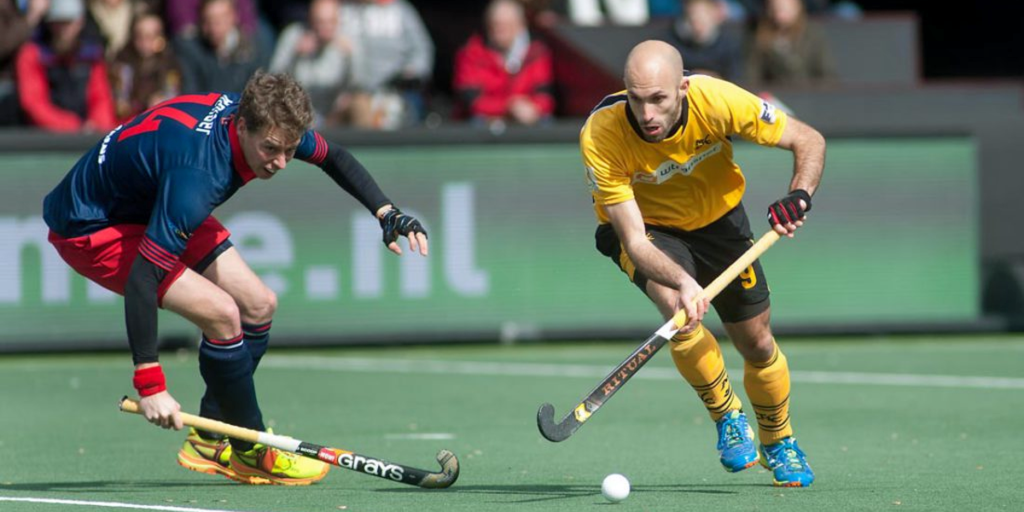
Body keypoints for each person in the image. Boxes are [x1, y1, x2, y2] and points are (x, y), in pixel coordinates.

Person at [42, 72, 429, 485]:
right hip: (93, 226)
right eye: (271, 150)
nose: (281, 162)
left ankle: (209, 437)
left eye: (290, 150)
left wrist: (387, 213)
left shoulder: (261, 116)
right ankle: (251, 451)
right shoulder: (198, 175)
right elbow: (142, 279)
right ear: (242, 127)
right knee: (223, 314)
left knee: (259, 305)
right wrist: (150, 381)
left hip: (151, 198)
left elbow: (334, 157)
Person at [579, 40, 824, 487]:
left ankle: (778, 439)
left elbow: (807, 139)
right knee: (678, 308)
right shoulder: (602, 134)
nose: (647, 113)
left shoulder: (717, 99)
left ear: (684, 88)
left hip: (719, 222)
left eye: (659, 99)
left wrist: (799, 195)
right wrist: (684, 282)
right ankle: (727, 415)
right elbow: (633, 240)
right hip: (647, 229)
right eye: (636, 99)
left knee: (758, 343)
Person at [15, 0, 118, 132]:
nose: (63, 29)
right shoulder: (33, 54)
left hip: (87, 133)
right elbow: (33, 102)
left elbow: (101, 97)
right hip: (44, 138)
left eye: (68, 22)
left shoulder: (91, 55)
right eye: (58, 22)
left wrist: (97, 125)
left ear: (80, 22)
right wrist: (74, 126)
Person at [453, 0, 555, 127]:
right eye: (495, 25)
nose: (499, 31)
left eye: (507, 26)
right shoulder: (471, 54)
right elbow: (472, 102)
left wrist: (533, 108)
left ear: (520, 25)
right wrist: (508, 107)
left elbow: (545, 97)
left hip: (526, 118)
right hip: (485, 120)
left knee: (546, 122)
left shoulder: (537, 53)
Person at [269, 0, 355, 126]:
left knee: (356, 104)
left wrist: (351, 59)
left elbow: (358, 86)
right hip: (296, 111)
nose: (325, 28)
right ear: (310, 20)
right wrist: (295, 57)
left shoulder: (346, 39)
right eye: (320, 22)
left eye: (331, 22)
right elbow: (273, 79)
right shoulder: (293, 35)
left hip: (334, 113)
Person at [174, 0, 269, 94]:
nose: (214, 27)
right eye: (209, 20)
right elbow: (190, 90)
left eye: (220, 20)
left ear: (234, 16)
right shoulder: (190, 50)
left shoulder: (252, 49)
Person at [108, 11, 183, 122]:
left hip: (160, 121)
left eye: (151, 36)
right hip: (129, 122)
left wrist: (162, 101)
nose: (145, 42)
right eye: (140, 36)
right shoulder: (123, 63)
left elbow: (172, 94)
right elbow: (120, 105)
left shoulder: (170, 63)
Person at [745, 0, 836, 88]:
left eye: (786, 4)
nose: (780, 7)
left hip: (808, 96)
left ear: (797, 6)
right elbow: (752, 74)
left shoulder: (813, 34)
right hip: (773, 97)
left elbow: (826, 75)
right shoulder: (758, 35)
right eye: (776, 4)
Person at [668, 0, 744, 82]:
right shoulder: (671, 41)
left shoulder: (729, 44)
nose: (698, 25)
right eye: (694, 17)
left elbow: (736, 80)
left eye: (704, 15)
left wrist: (713, 79)